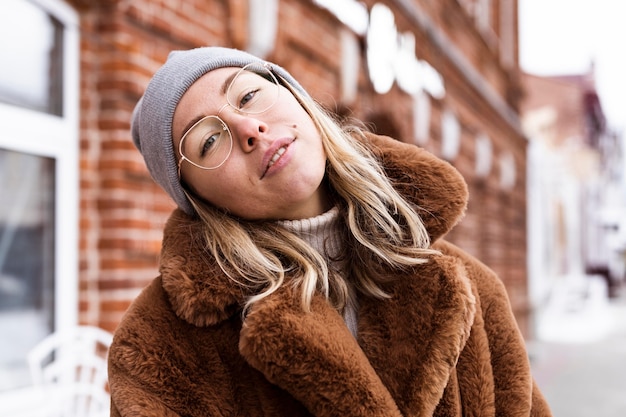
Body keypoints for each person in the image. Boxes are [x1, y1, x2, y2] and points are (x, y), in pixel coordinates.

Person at [108, 46, 552, 417]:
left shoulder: (469, 288)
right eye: (208, 140)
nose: (250, 129)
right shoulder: (159, 346)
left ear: (296, 98)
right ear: (197, 199)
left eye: (248, 96)